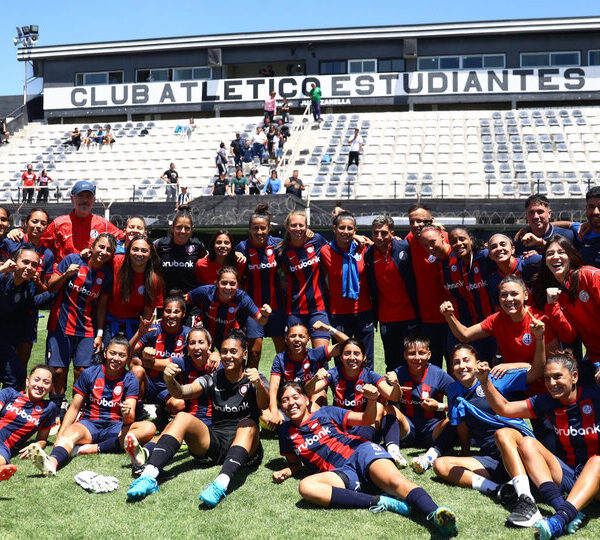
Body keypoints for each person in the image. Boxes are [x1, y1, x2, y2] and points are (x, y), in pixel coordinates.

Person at [273, 381, 458, 537]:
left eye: (295, 397)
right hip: (339, 473)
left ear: (306, 399)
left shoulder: (325, 413)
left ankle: (436, 514)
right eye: (285, 400)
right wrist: (287, 471)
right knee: (306, 487)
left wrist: (371, 400)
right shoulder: (285, 432)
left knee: (396, 483)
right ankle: (379, 501)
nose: (291, 403)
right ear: (281, 406)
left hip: (361, 452)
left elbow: (366, 418)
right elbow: (295, 464)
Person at [127, 330, 269, 508]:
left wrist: (259, 386)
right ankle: (148, 476)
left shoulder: (255, 377)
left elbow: (264, 405)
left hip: (247, 447)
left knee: (248, 424)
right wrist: (170, 379)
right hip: (216, 442)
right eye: (224, 351)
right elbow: (181, 392)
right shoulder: (212, 378)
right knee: (182, 417)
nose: (228, 356)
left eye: (233, 351)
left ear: (244, 354)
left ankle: (220, 485)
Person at [475, 351, 597, 537]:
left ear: (574, 377)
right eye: (547, 379)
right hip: (571, 476)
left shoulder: (595, 396)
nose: (552, 384)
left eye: (557, 377)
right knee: (527, 443)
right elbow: (504, 408)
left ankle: (559, 519)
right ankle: (562, 507)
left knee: (596, 461)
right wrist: (485, 381)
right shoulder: (547, 402)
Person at [434, 339, 547, 528]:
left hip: (516, 447)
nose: (462, 366)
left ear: (477, 363)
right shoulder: (453, 390)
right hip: (491, 457)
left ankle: (526, 499)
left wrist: (538, 338)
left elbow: (535, 370)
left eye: (466, 360)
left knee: (502, 434)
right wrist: (465, 454)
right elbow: (462, 426)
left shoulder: (495, 377)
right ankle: (501, 490)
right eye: (456, 362)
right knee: (442, 465)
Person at [441, 275, 559, 450]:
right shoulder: (497, 319)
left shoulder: (540, 320)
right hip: (515, 384)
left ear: (526, 295)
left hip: (542, 389)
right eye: (504, 295)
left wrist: (514, 365)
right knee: (484, 401)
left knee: (551, 446)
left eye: (514, 294)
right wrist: (448, 315)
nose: (509, 299)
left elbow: (547, 367)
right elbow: (464, 335)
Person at [28, 335, 155, 476]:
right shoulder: (89, 373)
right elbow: (75, 407)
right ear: (105, 353)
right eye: (113, 353)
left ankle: (93, 448)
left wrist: (126, 414)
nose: (116, 358)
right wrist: (60, 435)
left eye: (121, 355)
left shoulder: (130, 379)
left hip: (116, 427)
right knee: (70, 433)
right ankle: (52, 462)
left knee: (149, 428)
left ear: (127, 358)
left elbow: (129, 420)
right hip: (90, 424)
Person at [307, 337, 410, 468]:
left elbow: (393, 396)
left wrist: (395, 384)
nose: (352, 358)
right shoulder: (334, 373)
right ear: (341, 357)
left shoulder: (370, 375)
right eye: (347, 353)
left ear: (364, 357)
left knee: (381, 407)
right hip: (340, 426)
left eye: (356, 354)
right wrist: (315, 379)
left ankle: (391, 452)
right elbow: (310, 391)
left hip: (363, 426)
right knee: (313, 406)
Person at [46, 233, 116, 415]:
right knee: (58, 371)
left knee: (82, 370)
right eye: (101, 246)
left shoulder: (106, 275)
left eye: (109, 249)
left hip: (87, 329)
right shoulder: (72, 260)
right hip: (60, 325)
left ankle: (78, 410)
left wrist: (100, 334)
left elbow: (101, 307)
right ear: (92, 246)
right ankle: (56, 410)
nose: (103, 251)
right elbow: (51, 286)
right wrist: (66, 274)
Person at [533, 234, 600, 385]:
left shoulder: (590, 275)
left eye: (561, 252)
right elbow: (568, 336)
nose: (555, 257)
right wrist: (551, 305)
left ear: (570, 256)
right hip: (594, 357)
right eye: (550, 254)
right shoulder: (559, 294)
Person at [422, 226, 496, 361]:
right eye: (426, 245)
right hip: (464, 322)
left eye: (432, 242)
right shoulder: (438, 262)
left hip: (488, 320)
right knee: (459, 362)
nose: (430, 248)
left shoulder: (478, 257)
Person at [386, 333, 456, 474]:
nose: (417, 358)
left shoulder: (438, 374)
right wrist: (392, 384)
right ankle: (393, 453)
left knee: (455, 418)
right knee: (388, 409)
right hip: (408, 428)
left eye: (422, 353)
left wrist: (439, 406)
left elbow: (461, 400)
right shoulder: (397, 374)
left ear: (429, 354)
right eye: (412, 353)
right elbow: (383, 400)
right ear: (405, 355)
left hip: (433, 428)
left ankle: (430, 457)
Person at [0, 209, 54, 374]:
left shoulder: (48, 254)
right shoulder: (11, 242)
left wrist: (37, 282)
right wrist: (11, 232)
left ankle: (17, 399)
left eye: (43, 223)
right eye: (34, 221)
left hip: (27, 312)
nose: (38, 226)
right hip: (5, 309)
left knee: (21, 366)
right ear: (25, 223)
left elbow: (45, 289)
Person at [265, 322, 348, 426]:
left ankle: (308, 420)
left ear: (308, 340)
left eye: (301, 336)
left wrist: (329, 329)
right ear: (286, 339)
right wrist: (273, 411)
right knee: (265, 419)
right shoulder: (280, 359)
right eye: (292, 336)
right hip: (292, 400)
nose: (297, 339)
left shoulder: (315, 354)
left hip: (311, 397)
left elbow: (348, 345)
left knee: (320, 393)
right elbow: (274, 386)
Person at [320, 211, 375, 367]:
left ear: (355, 230)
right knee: (341, 358)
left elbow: (380, 246)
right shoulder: (325, 251)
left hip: (363, 311)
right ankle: (342, 391)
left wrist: (364, 240)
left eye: (350, 228)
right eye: (342, 228)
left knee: (366, 358)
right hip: (338, 314)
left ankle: (366, 391)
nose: (346, 232)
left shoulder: (363, 249)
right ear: (334, 229)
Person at [365, 215, 419, 371]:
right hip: (386, 318)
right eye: (375, 233)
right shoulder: (369, 253)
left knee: (411, 360)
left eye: (383, 233)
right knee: (391, 361)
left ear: (392, 233)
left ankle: (412, 394)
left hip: (409, 316)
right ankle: (393, 395)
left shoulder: (404, 247)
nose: (379, 237)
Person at [235, 205, 286, 369]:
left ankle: (285, 387)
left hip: (277, 307)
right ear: (249, 229)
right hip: (253, 309)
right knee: (254, 352)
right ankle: (250, 389)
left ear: (269, 228)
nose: (259, 232)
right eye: (255, 228)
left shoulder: (278, 245)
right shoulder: (242, 248)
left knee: (282, 352)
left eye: (263, 228)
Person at [25, 180, 124, 265]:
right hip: (63, 278)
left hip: (93, 280)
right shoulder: (58, 224)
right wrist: (20, 232)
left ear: (93, 200)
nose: (85, 200)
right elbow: (38, 242)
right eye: (80, 196)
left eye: (88, 196)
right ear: (72, 199)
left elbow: (124, 238)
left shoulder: (104, 224)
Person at [130, 292, 191, 421]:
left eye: (176, 312)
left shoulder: (188, 334)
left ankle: (164, 409)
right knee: (136, 369)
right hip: (148, 383)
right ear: (162, 312)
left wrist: (214, 354)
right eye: (168, 311)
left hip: (169, 385)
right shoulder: (153, 329)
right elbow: (126, 353)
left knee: (179, 404)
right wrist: (139, 333)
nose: (171, 315)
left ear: (183, 314)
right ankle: (138, 410)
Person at [277, 210, 330, 349]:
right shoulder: (282, 251)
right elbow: (279, 277)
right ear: (287, 227)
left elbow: (338, 246)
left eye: (301, 225)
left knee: (321, 357)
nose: (298, 229)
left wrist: (356, 236)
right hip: (294, 311)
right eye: (294, 225)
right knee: (296, 358)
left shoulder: (317, 241)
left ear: (307, 227)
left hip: (318, 309)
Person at [404, 205, 449, 368]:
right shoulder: (410, 239)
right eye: (412, 222)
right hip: (428, 317)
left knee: (455, 365)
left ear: (431, 221)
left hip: (452, 316)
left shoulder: (446, 237)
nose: (416, 225)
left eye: (420, 221)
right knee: (432, 367)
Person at [186, 266, 272, 350]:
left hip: (228, 336)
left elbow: (260, 321)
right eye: (224, 283)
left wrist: (265, 315)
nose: (228, 287)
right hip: (206, 335)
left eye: (232, 284)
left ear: (238, 284)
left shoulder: (242, 298)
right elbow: (184, 299)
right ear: (217, 283)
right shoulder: (205, 292)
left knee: (235, 357)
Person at [0, 246, 46, 390]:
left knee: (16, 376)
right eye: (25, 262)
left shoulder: (27, 287)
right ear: (13, 262)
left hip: (6, 337)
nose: (29, 267)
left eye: (34, 265)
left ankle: (6, 409)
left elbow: (43, 297)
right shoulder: (3, 277)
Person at [0, 365, 57, 480]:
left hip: (4, 446)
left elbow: (42, 439)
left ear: (51, 387)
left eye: (46, 382)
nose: (40, 385)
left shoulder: (49, 408)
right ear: (27, 381)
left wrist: (36, 446)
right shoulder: (9, 393)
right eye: (36, 380)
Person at [105, 235, 164, 343]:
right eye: (135, 249)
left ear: (150, 254)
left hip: (134, 326)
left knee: (132, 358)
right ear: (128, 251)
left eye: (144, 250)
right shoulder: (116, 261)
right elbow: (97, 260)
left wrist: (137, 338)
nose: (139, 253)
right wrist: (87, 253)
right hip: (108, 322)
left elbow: (147, 314)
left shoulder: (154, 280)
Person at [153, 205, 207, 325]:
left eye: (186, 228)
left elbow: (211, 262)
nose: (182, 231)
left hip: (190, 305)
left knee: (190, 341)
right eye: (179, 227)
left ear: (192, 229)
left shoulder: (198, 246)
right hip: (166, 305)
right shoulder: (160, 245)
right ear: (172, 228)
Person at [486, 233, 541, 310]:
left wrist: (541, 243)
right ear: (490, 255)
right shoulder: (493, 279)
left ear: (513, 249)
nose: (499, 248)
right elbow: (499, 309)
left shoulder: (530, 261)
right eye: (493, 247)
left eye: (503, 244)